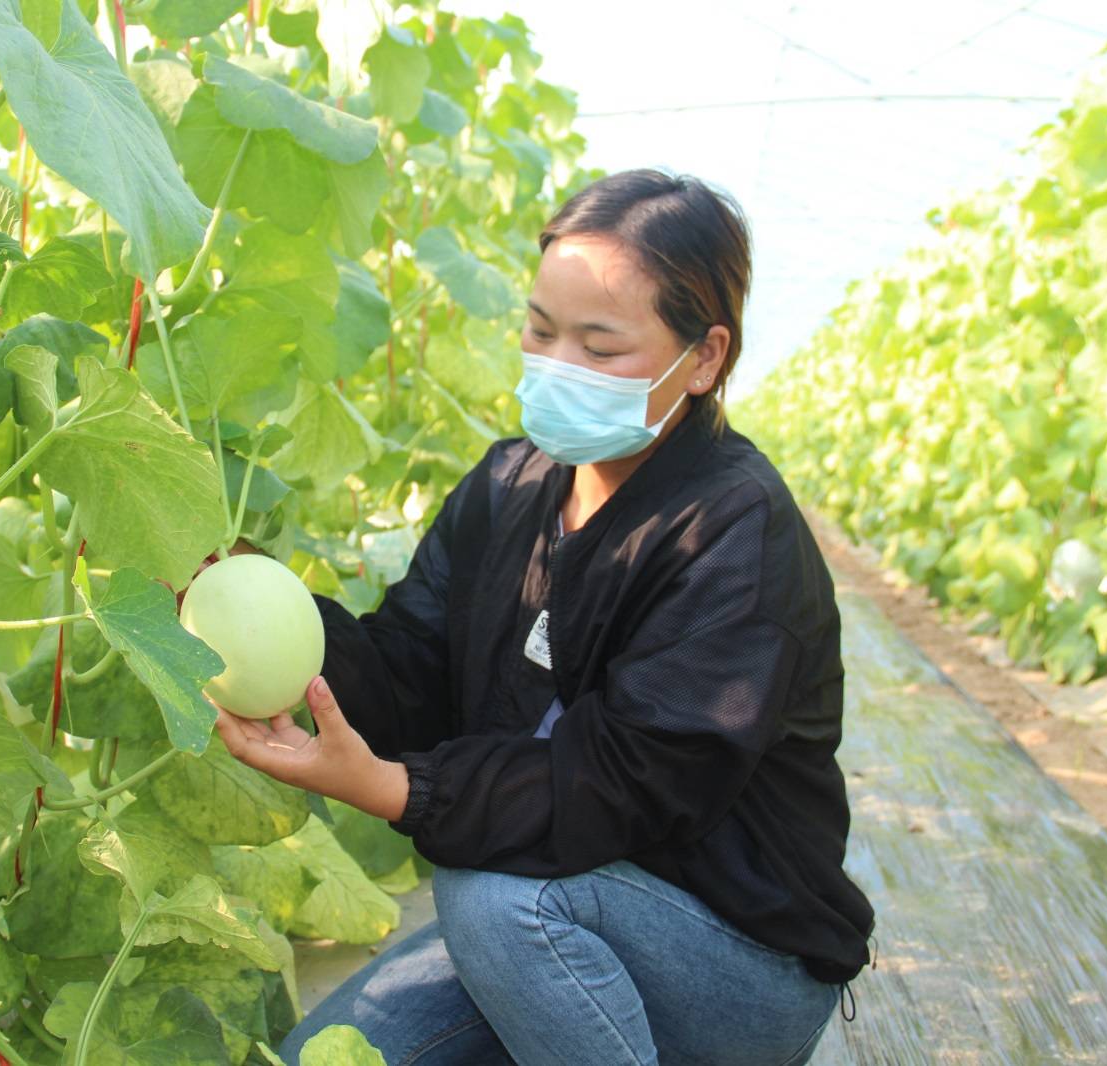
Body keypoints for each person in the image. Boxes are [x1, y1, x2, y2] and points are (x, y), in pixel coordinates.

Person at [211, 168, 875, 1066]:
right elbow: (414, 665)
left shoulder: (734, 533)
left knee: (486, 894)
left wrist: (393, 790)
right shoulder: (509, 485)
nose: (559, 365)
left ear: (706, 357)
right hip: (558, 897)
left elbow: (627, 784)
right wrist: (269, 614)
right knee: (323, 1056)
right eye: (540, 330)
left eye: (601, 349)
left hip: (730, 956)